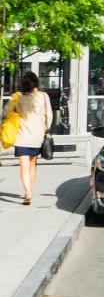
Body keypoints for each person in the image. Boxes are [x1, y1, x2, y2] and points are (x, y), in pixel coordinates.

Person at [5, 72, 53, 206]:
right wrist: (45, 129)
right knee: (32, 165)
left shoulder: (18, 98)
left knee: (24, 166)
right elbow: (49, 115)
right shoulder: (44, 96)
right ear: (36, 82)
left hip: (22, 136)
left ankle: (28, 193)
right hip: (37, 137)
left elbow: (6, 112)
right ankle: (29, 190)